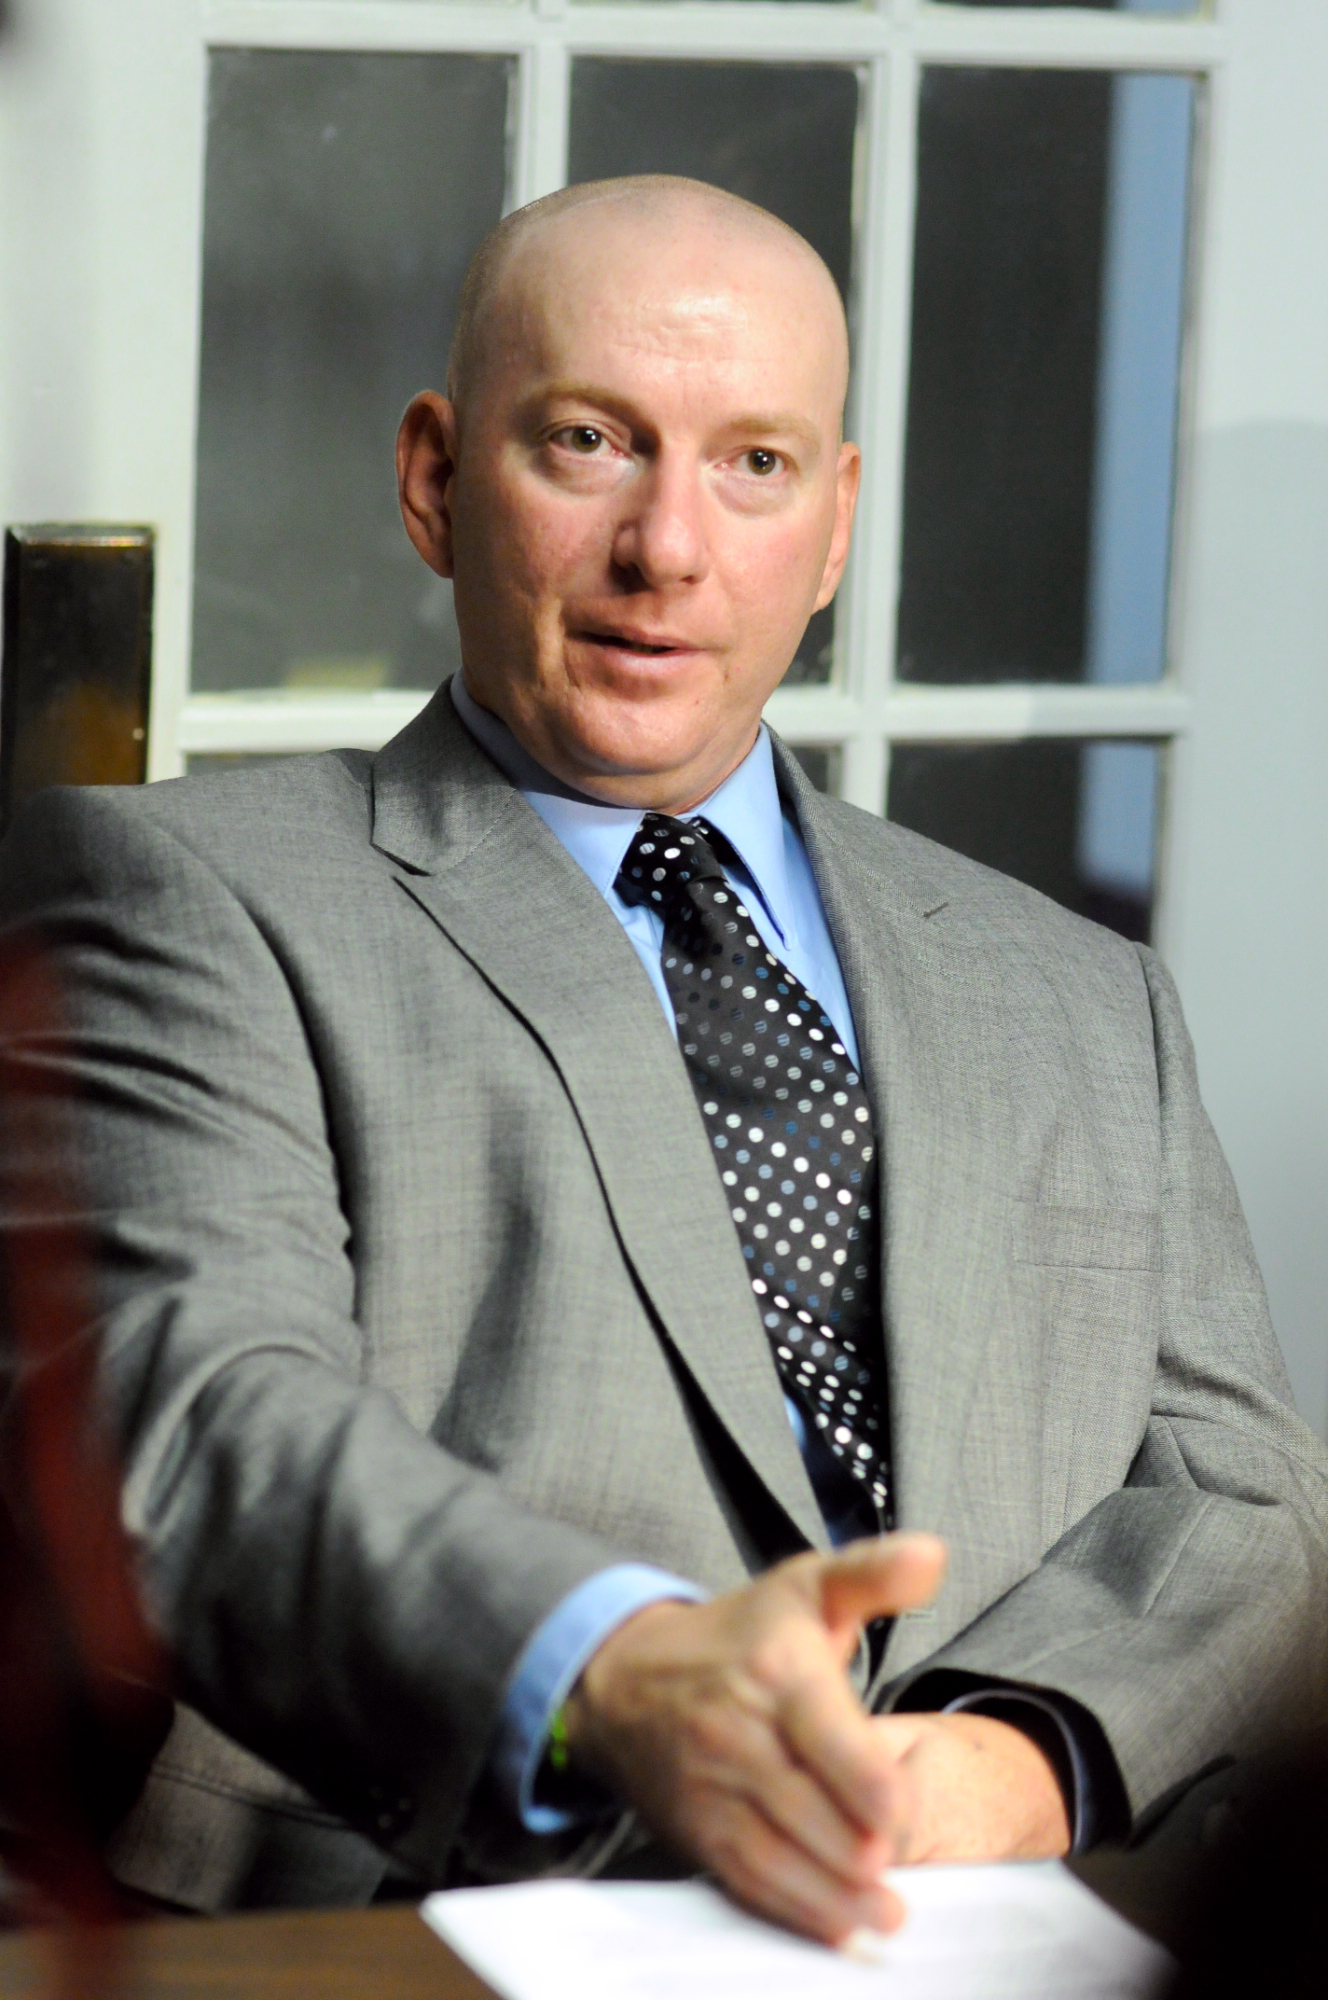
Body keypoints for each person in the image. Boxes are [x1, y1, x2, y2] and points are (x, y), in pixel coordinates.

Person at [0, 175, 1323, 1942]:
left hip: (1000, 1917)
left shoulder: (1084, 995)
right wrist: (620, 1678)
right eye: (591, 443)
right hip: (405, 1924)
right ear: (433, 477)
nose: (670, 549)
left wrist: (1012, 1760)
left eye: (754, 465)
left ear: (837, 523)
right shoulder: (175, 895)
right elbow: (200, 1423)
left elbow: (1247, 1500)